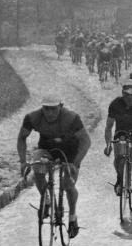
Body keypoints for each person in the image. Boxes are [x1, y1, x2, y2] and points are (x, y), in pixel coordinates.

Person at [18, 100, 92, 238]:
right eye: (46, 109)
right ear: (42, 108)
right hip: (47, 148)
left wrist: (75, 164)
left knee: (67, 184)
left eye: (54, 109)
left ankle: (72, 217)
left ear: (61, 106)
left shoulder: (72, 118)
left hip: (70, 151)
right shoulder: (33, 117)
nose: (50, 113)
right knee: (38, 169)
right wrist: (23, 161)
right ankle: (46, 200)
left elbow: (86, 141)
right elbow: (22, 137)